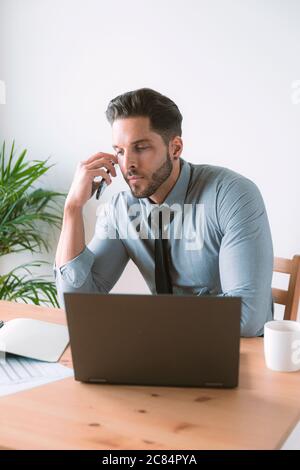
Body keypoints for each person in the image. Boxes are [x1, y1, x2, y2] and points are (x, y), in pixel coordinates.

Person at [54, 87, 274, 337]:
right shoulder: (121, 210)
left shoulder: (231, 195)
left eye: (141, 147)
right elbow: (79, 305)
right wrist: (72, 209)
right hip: (163, 348)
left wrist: (149, 318)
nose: (128, 165)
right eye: (120, 151)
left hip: (237, 352)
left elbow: (247, 318)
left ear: (175, 148)